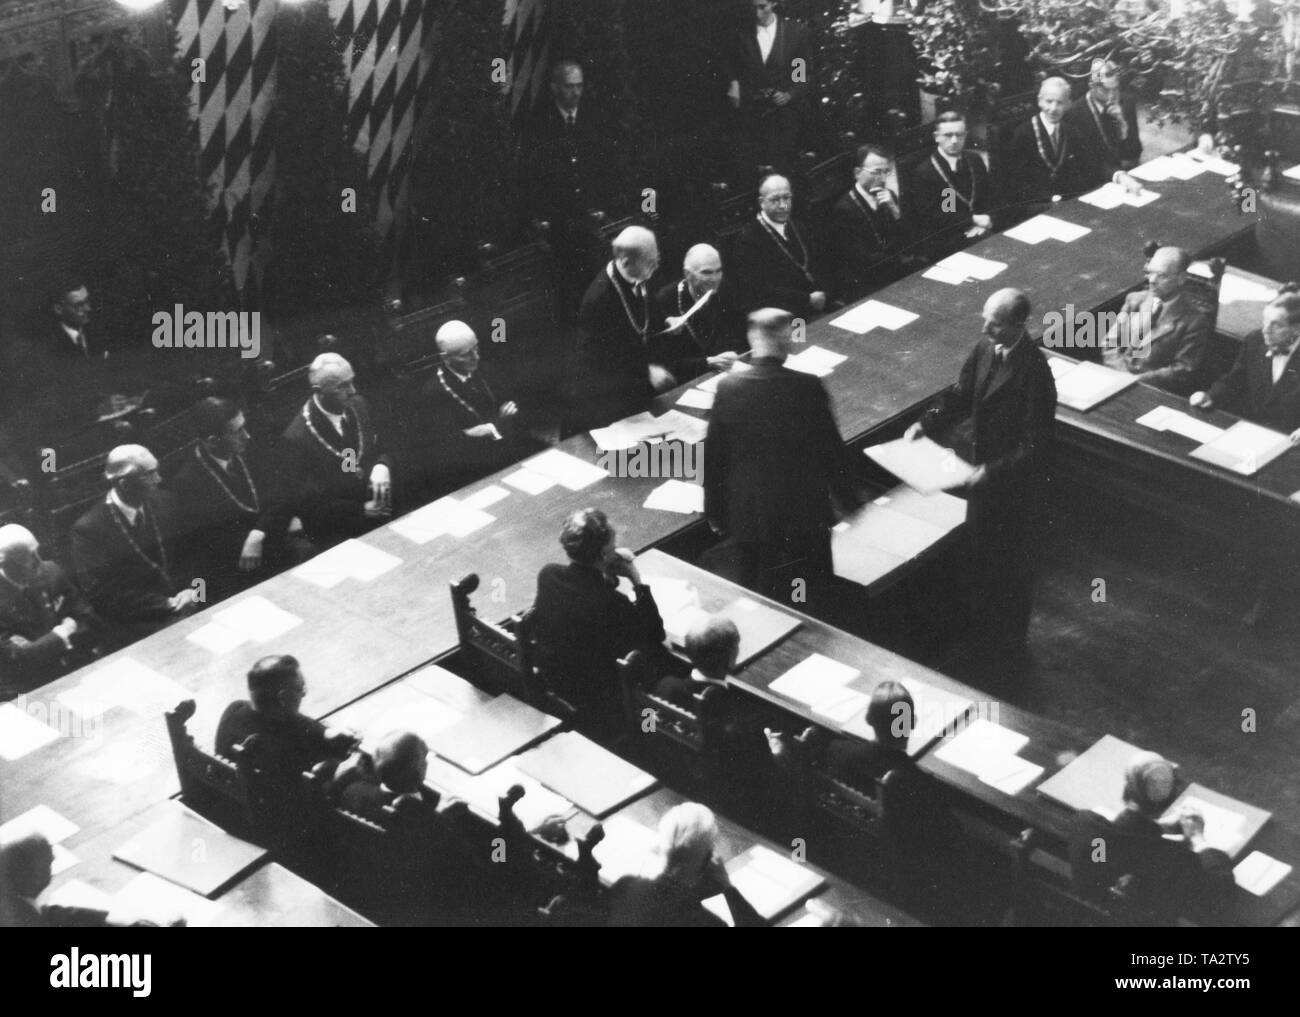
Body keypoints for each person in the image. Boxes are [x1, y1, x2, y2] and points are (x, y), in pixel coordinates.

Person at [907, 289, 1056, 659]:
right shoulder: (984, 349)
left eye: (996, 322)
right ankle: (978, 634)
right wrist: (926, 423)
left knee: (1008, 566)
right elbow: (959, 395)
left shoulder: (1035, 372)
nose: (986, 326)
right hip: (978, 475)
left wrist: (992, 471)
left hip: (1009, 487)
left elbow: (1036, 445)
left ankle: (1006, 645)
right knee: (978, 558)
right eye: (985, 317)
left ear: (1019, 324)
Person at [704, 309, 856, 603]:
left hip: (751, 517)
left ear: (752, 339)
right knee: (813, 587)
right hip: (804, 514)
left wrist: (716, 513)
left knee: (759, 591)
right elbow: (832, 452)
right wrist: (848, 500)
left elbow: (714, 460)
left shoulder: (728, 388)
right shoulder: (808, 386)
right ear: (786, 342)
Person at [169, 398, 311, 605]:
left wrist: (259, 533)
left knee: (305, 552)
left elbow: (282, 496)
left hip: (264, 540)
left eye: (244, 427)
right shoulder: (188, 482)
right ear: (212, 440)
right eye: (236, 432)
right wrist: (273, 527)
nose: (247, 436)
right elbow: (213, 539)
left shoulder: (249, 450)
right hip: (233, 562)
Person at [530, 508, 666, 722]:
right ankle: (648, 728)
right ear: (603, 553)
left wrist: (605, 571)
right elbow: (656, 634)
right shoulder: (612, 603)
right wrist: (636, 580)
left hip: (556, 682)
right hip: (600, 703)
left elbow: (587, 588)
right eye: (613, 545)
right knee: (661, 661)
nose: (616, 549)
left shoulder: (549, 575)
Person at [1068, 752, 1233, 923]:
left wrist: (1158, 826)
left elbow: (1121, 838)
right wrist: (1198, 839)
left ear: (1128, 788)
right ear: (1170, 798)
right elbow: (1220, 893)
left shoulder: (1086, 826)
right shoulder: (1176, 858)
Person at [517, 60, 621, 318]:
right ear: (555, 88)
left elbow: (604, 166)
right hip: (559, 221)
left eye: (580, 86)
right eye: (569, 87)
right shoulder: (540, 124)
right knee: (567, 289)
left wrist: (601, 205)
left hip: (591, 217)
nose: (576, 93)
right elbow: (532, 176)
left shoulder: (593, 118)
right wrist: (540, 218)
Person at [70, 445, 199, 644]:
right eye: (149, 475)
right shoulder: (89, 530)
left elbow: (193, 552)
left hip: (190, 599)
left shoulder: (166, 501)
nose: (159, 479)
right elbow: (103, 596)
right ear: (124, 483)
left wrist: (196, 590)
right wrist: (167, 604)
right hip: (138, 623)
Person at [272, 353, 393, 548]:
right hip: (337, 532)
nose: (353, 390)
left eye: (351, 381)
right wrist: (361, 510)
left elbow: (382, 445)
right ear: (318, 391)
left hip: (378, 510)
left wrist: (382, 464)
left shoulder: (359, 405)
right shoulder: (297, 438)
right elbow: (310, 506)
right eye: (342, 386)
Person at [405, 321, 527, 501]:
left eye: (476, 348)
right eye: (466, 355)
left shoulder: (485, 369)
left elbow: (514, 408)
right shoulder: (433, 393)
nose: (476, 357)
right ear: (446, 358)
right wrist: (499, 422)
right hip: (469, 478)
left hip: (506, 455)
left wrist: (491, 427)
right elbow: (454, 446)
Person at [606, 802, 763, 927]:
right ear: (707, 862)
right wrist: (729, 889)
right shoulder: (709, 923)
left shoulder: (625, 886)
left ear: (661, 846)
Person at [1006, 77, 1140, 218]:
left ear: (1068, 104)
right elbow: (1017, 183)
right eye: (1049, 101)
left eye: (1059, 103)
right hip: (1037, 209)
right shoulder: (1023, 134)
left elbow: (1094, 163)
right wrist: (1051, 202)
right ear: (1039, 101)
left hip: (1068, 206)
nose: (1053, 109)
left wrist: (1120, 176)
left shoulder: (1071, 132)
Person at [573, 225, 664, 428]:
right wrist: (647, 372)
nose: (656, 266)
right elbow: (603, 361)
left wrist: (666, 322)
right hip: (607, 399)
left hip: (635, 385)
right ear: (626, 261)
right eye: (651, 262)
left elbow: (644, 321)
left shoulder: (639, 273)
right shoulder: (599, 298)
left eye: (657, 259)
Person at [215, 654, 357, 778]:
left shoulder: (235, 709)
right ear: (283, 698)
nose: (304, 694)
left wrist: (326, 732)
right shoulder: (286, 752)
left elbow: (295, 721)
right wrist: (345, 767)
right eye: (300, 688)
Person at [0, 524, 99, 696]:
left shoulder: (51, 571)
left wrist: (44, 644)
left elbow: (88, 617)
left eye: (37, 551)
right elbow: (16, 658)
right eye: (29, 557)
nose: (40, 561)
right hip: (30, 689)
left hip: (78, 666)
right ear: (5, 565)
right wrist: (64, 630)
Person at [1191, 287, 1300, 436]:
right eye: (1265, 321)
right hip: (1251, 431)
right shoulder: (1255, 341)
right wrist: (1211, 395)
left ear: (1296, 329)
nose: (1266, 330)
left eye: (1277, 325)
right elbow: (1234, 380)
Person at [1102, 246, 1210, 395]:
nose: (1152, 280)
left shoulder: (1194, 321)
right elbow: (1110, 342)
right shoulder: (1135, 300)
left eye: (1162, 276)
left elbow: (1183, 369)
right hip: (1115, 377)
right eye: (1150, 272)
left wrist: (1136, 380)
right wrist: (1122, 374)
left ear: (1181, 278)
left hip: (1150, 390)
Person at [725, 0, 813, 180]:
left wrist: (789, 95)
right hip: (752, 112)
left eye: (762, 7)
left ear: (774, 3)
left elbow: (802, 75)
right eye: (753, 7)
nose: (757, 13)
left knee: (784, 168)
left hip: (783, 114)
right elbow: (730, 63)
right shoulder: (741, 33)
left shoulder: (794, 32)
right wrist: (733, 82)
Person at [729, 173, 827, 319]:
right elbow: (763, 290)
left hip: (817, 307)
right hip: (786, 318)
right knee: (801, 341)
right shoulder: (748, 239)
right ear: (761, 202)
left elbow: (818, 263)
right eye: (775, 200)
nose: (783, 205)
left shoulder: (797, 226)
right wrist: (807, 299)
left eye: (787, 198)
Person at [650, 244, 746, 388]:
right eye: (707, 273)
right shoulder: (665, 301)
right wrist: (707, 362)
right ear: (687, 274)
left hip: (731, 372)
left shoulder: (724, 289)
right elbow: (668, 362)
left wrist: (733, 354)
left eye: (718, 271)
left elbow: (739, 334)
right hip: (692, 381)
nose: (715, 278)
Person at [828, 145, 910, 302]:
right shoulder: (844, 208)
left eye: (886, 172)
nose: (883, 179)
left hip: (893, 269)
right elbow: (860, 259)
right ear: (857, 173)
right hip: (866, 281)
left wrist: (895, 210)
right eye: (876, 172)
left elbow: (908, 239)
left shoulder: (888, 196)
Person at [909, 111, 995, 259]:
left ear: (965, 134)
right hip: (946, 238)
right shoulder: (926, 172)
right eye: (948, 135)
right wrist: (972, 220)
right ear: (937, 137)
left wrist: (985, 221)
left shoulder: (974, 159)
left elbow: (988, 195)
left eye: (959, 134)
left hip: (981, 227)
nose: (954, 140)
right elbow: (936, 215)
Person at [1065, 59, 1142, 181]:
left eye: (1115, 89)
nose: (1111, 96)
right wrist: (1117, 175)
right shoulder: (1074, 114)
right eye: (1106, 90)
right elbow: (1086, 163)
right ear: (1092, 86)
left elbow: (1135, 153)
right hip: (1095, 179)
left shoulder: (1127, 102)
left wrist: (1123, 126)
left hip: (1126, 174)